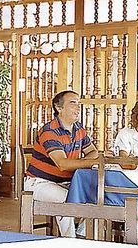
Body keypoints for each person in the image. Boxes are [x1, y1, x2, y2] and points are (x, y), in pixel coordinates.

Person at [25, 90, 99, 237]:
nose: (78, 108)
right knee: (67, 199)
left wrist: (87, 161)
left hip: (67, 182)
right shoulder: (49, 131)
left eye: (79, 103)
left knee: (97, 196)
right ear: (59, 108)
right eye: (73, 103)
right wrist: (91, 162)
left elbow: (93, 151)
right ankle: (70, 241)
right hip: (39, 183)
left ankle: (82, 235)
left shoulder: (79, 129)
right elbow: (62, 164)